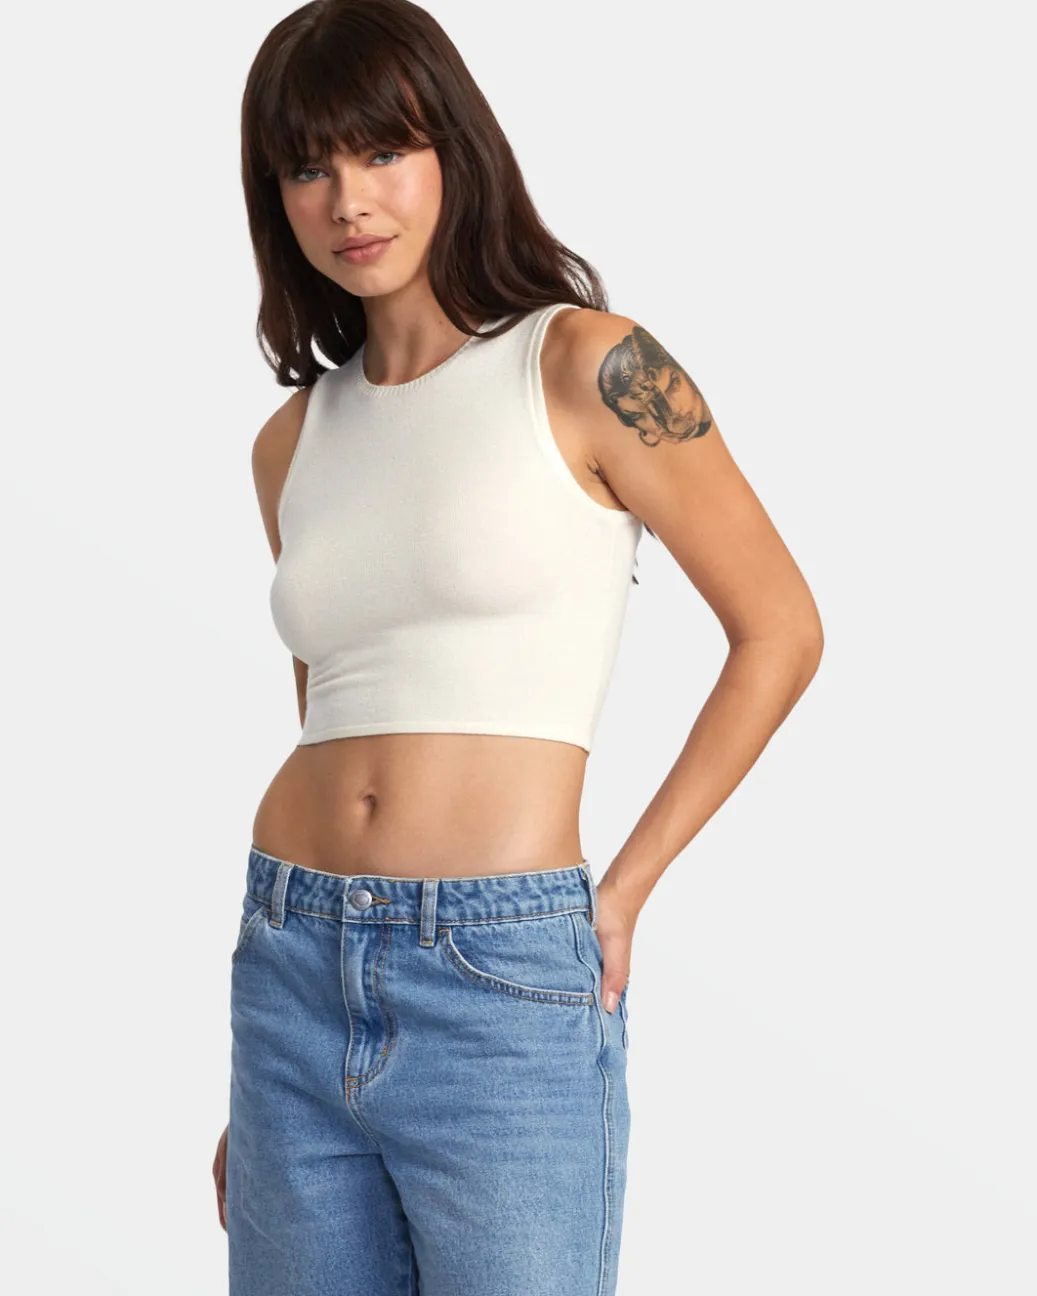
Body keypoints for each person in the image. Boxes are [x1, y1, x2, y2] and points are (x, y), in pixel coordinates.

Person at [212, 1, 824, 1292]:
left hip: (498, 974)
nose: (349, 199)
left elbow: (779, 629)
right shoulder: (292, 441)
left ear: (455, 148)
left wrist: (625, 891)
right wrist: (274, 1078)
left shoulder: (588, 367)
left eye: (384, 150)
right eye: (309, 167)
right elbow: (331, 707)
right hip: (291, 965)